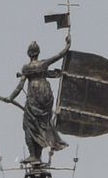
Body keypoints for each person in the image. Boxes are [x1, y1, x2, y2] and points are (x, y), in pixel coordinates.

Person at [7, 35, 71, 163]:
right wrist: (67, 45)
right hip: (46, 95)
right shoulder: (43, 64)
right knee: (42, 125)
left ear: (29, 54)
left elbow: (20, 86)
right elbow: (58, 56)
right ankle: (37, 156)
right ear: (38, 52)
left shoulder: (26, 68)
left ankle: (34, 155)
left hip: (34, 95)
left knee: (29, 125)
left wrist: (10, 97)